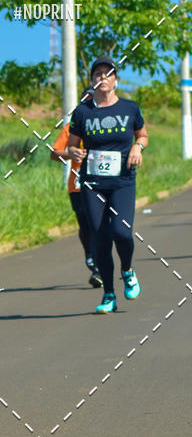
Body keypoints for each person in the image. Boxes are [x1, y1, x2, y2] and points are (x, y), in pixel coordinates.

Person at [66, 56, 148, 313]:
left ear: (115, 80)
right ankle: (109, 295)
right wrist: (74, 153)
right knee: (100, 238)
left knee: (122, 232)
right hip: (92, 184)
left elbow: (143, 135)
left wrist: (138, 146)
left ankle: (127, 269)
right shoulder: (82, 112)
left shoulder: (130, 108)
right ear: (92, 81)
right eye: (97, 73)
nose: (102, 77)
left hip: (122, 181)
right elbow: (70, 144)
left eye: (107, 73)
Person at [51, 87, 101, 288]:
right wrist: (71, 154)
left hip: (102, 183)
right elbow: (54, 153)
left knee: (101, 224)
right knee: (86, 224)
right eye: (85, 100)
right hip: (78, 186)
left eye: (93, 100)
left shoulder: (105, 125)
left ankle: (100, 266)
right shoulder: (70, 128)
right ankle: (90, 255)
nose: (89, 104)